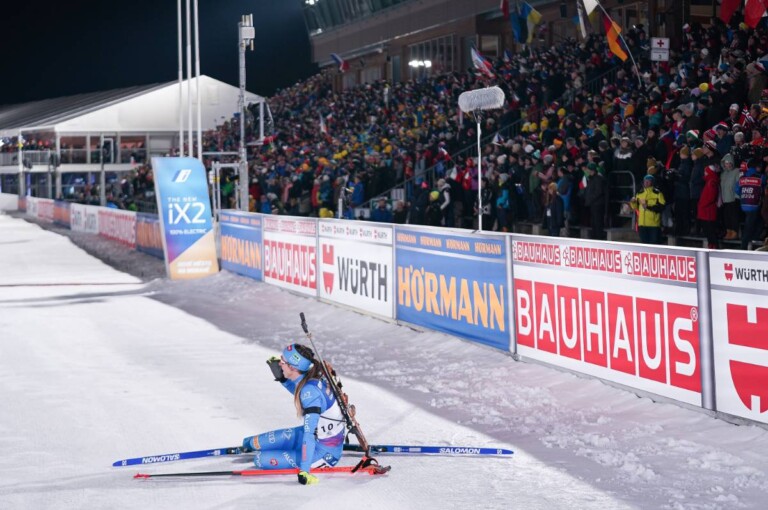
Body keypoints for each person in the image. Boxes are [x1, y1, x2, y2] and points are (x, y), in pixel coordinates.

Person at [242, 344, 345, 485]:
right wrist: (283, 379)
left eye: (282, 361)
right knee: (252, 443)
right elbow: (299, 391)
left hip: (323, 452)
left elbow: (309, 434)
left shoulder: (310, 393)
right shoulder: (309, 382)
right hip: (315, 437)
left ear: (293, 367)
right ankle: (288, 449)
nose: (279, 364)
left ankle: (293, 453)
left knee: (259, 459)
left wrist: (304, 471)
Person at [630, 174, 666, 244]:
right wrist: (633, 203)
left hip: (653, 225)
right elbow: (635, 208)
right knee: (644, 244)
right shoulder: (639, 193)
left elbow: (662, 207)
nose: (646, 183)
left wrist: (649, 207)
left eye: (648, 181)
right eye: (645, 181)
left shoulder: (658, 193)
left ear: (652, 182)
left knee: (654, 244)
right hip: (642, 224)